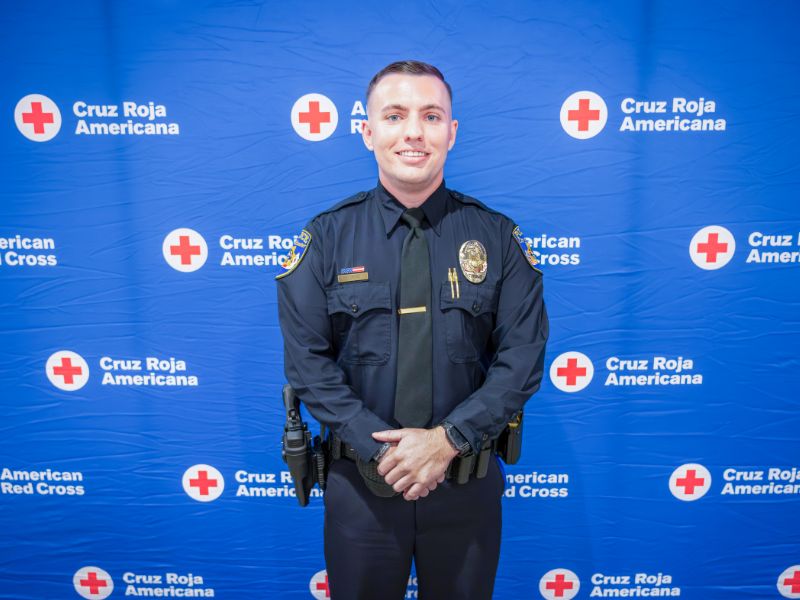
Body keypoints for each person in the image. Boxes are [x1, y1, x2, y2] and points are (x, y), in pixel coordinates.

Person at [276, 60, 548, 600]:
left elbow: (522, 359)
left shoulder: (498, 238)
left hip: (465, 487)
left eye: (431, 116)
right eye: (395, 115)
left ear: (452, 131)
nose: (414, 133)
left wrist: (447, 441)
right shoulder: (326, 238)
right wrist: (385, 453)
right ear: (367, 131)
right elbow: (307, 363)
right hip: (361, 491)